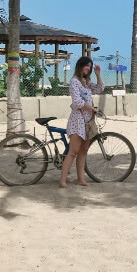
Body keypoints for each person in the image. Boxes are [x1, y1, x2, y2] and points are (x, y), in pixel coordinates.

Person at [59, 56, 103, 188]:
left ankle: (80, 179)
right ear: (80, 66)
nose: (88, 68)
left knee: (84, 151)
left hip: (88, 121)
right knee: (73, 151)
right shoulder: (74, 82)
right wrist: (92, 108)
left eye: (90, 66)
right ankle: (62, 181)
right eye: (86, 66)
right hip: (77, 120)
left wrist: (98, 75)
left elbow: (100, 89)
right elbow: (77, 102)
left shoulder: (86, 82)